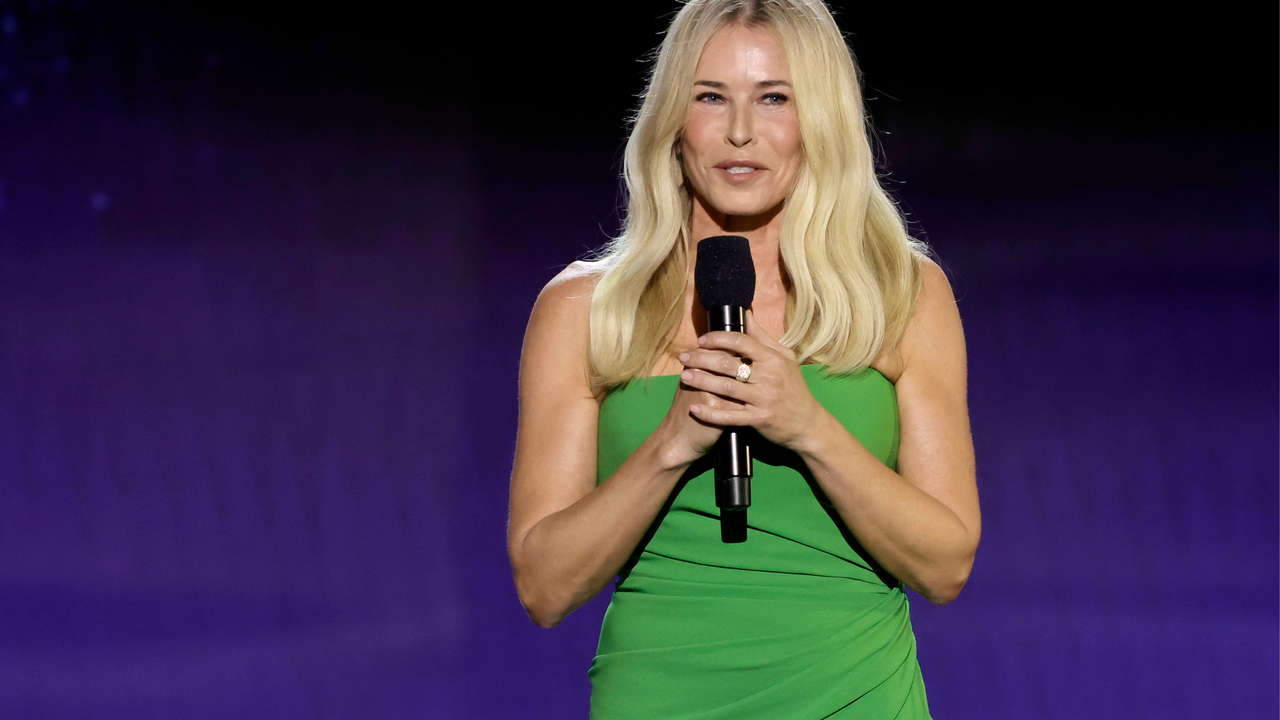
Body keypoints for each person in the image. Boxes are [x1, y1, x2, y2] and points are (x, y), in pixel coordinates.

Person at [507, 0, 979, 716]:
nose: (738, 132)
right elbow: (543, 588)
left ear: (819, 118)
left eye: (773, 99)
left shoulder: (901, 295)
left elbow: (946, 564)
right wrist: (671, 443)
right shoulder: (584, 310)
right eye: (710, 97)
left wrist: (808, 427)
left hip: (855, 699)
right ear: (673, 119)